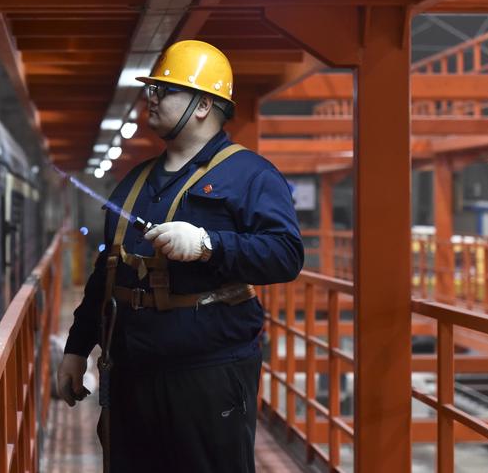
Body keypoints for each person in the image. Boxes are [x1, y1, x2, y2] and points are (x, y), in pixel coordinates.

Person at [56, 40, 304, 473]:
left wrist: (210, 244)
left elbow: (285, 254)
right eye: (152, 89)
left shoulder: (250, 175)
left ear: (204, 105)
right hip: (133, 373)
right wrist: (77, 348)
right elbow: (107, 274)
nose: (150, 99)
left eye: (164, 90)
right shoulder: (135, 182)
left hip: (208, 373)